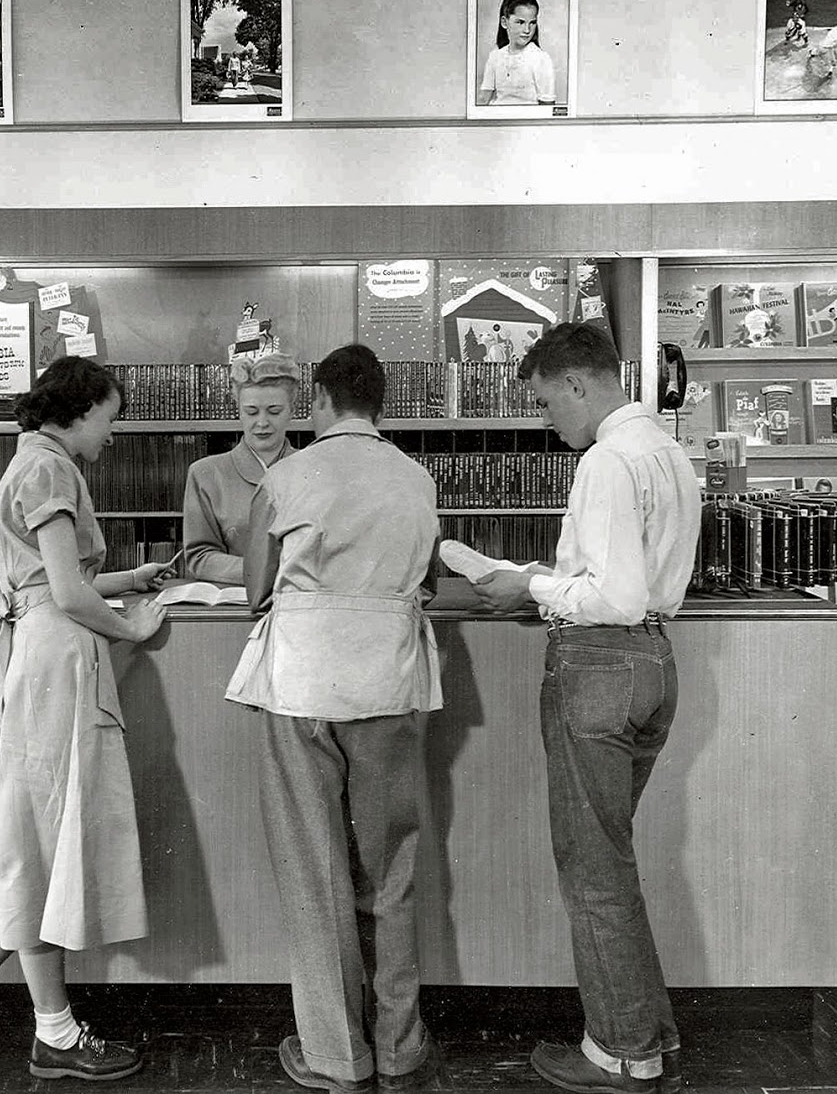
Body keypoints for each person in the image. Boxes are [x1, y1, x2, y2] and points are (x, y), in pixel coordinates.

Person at [0, 357, 173, 1094]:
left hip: (44, 653)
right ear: (78, 411)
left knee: (33, 844)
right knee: (48, 847)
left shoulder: (35, 463)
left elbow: (58, 581)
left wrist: (127, 578)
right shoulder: (51, 471)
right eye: (110, 418)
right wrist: (133, 630)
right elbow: (67, 597)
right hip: (60, 662)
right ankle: (51, 1032)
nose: (112, 435)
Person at [469, 322, 699, 1094]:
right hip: (653, 662)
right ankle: (647, 1034)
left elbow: (612, 595)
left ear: (577, 383)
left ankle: (622, 1051)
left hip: (599, 663)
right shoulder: (666, 451)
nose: (545, 420)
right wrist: (550, 578)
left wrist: (528, 585)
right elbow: (632, 584)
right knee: (610, 860)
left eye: (543, 401)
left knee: (592, 868)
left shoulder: (606, 459)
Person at [227, 343, 443, 1093]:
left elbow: (257, 587)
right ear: (380, 403)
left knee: (312, 870)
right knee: (393, 869)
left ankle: (334, 1054)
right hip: (388, 679)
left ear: (317, 401)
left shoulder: (286, 476)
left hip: (303, 681)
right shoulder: (417, 477)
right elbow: (431, 577)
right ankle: (400, 1044)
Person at [181, 352, 299, 583]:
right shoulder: (205, 473)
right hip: (234, 608)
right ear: (238, 410)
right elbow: (199, 557)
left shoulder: (313, 469)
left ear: (292, 411)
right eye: (251, 412)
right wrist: (270, 571)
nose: (262, 422)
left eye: (274, 411)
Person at [477, 0, 556, 106]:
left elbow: (547, 107)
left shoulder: (540, 59)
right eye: (520, 22)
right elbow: (483, 100)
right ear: (504, 22)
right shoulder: (495, 56)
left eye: (532, 23)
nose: (527, 30)